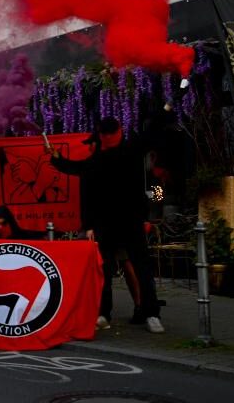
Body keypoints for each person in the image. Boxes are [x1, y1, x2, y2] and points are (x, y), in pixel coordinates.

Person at [50, 117, 164, 333]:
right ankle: (112, 312)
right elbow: (83, 184)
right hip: (110, 222)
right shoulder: (99, 160)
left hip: (129, 221)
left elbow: (154, 187)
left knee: (136, 268)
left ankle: (146, 312)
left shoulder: (129, 152)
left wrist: (149, 215)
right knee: (111, 270)